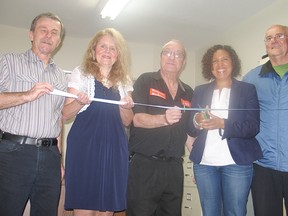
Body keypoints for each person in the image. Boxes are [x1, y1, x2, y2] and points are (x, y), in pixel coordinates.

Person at [0, 12, 66, 216]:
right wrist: (27, 95)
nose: (48, 35)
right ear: (31, 34)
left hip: (50, 157)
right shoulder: (8, 61)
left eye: (54, 32)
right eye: (43, 30)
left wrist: (60, 159)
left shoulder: (61, 76)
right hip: (13, 153)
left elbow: (59, 118)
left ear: (59, 40)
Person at [62, 28, 134, 216]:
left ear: (118, 55)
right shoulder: (81, 73)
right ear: (94, 50)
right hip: (86, 147)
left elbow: (127, 121)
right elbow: (65, 114)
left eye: (113, 48)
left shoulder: (124, 80)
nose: (107, 51)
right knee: (85, 205)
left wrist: (125, 106)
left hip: (114, 147)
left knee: (106, 210)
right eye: (103, 46)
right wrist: (78, 102)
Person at [187, 45, 262, 216]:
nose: (220, 64)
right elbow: (190, 127)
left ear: (233, 63)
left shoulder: (247, 90)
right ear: (209, 66)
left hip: (236, 163)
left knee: (235, 212)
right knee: (209, 212)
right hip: (205, 164)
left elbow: (253, 127)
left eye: (224, 59)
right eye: (215, 61)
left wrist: (222, 123)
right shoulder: (200, 90)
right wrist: (197, 120)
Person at [127, 39, 194, 216]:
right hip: (145, 164)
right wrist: (164, 119)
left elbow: (188, 134)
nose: (172, 57)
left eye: (178, 54)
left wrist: (199, 164)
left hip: (174, 167)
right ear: (161, 57)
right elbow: (137, 119)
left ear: (184, 62)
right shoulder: (145, 81)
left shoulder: (188, 91)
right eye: (167, 52)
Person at [243, 24, 288, 216]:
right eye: (268, 38)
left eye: (279, 36)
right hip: (263, 166)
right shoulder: (251, 78)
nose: (273, 41)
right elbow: (240, 117)